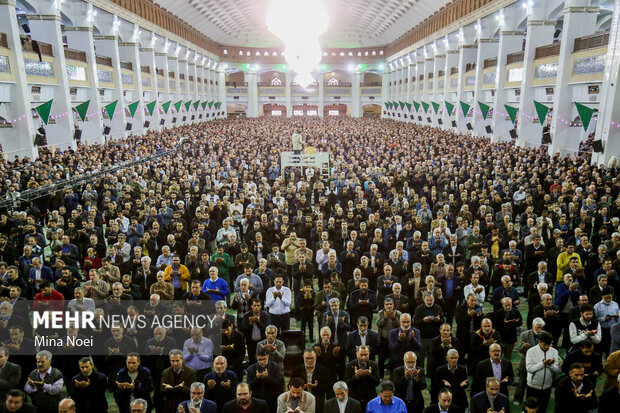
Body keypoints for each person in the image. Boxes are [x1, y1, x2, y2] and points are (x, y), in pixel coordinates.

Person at [525, 331, 560, 413]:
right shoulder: (531, 351)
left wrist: (550, 365)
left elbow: (557, 370)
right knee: (530, 410)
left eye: (549, 344)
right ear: (539, 342)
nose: (547, 347)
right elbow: (529, 368)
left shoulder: (554, 352)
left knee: (543, 409)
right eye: (545, 344)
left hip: (547, 387)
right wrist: (543, 364)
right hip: (533, 387)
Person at [344, 345, 380, 412]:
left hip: (370, 398)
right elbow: (347, 383)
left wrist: (369, 375)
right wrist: (356, 377)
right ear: (357, 354)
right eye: (361, 355)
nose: (363, 357)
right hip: (355, 399)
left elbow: (377, 382)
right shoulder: (350, 365)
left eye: (366, 355)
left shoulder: (374, 365)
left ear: (369, 354)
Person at [160, 349, 196, 413]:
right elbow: (161, 391)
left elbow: (194, 392)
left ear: (182, 359)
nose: (175, 363)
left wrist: (183, 388)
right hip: (170, 405)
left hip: (185, 404)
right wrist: (167, 389)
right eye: (172, 361)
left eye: (177, 360)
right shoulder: (165, 372)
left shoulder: (191, 372)